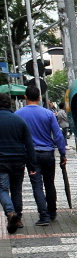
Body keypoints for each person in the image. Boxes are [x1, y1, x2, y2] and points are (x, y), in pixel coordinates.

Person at [15, 85, 60, 226]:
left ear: (25, 97)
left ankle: (44, 216)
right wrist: (63, 154)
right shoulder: (48, 114)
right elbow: (58, 135)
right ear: (40, 98)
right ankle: (52, 211)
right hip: (48, 153)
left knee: (37, 185)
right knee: (50, 183)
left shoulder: (18, 114)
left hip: (30, 155)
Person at [0, 92, 38, 233]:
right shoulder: (19, 120)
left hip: (1, 162)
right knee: (17, 190)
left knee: (2, 189)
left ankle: (10, 213)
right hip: (18, 161)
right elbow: (29, 145)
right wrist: (32, 165)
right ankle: (19, 219)